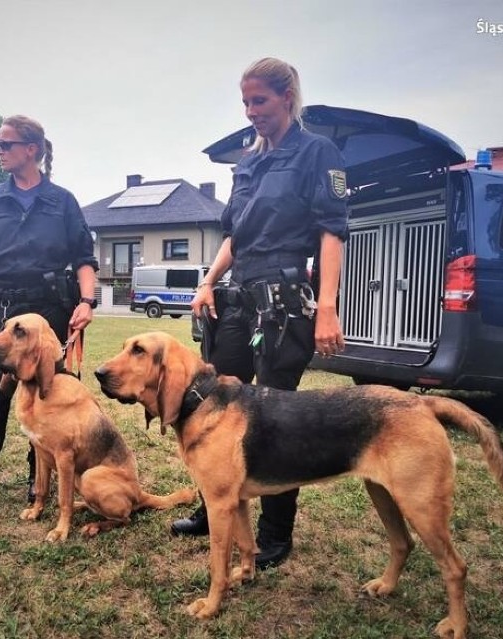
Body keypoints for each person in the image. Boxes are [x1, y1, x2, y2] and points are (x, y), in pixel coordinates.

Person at [172, 58, 349, 570]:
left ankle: (274, 536)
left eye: (260, 101)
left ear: (287, 96)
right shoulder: (246, 162)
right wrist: (207, 282)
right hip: (239, 292)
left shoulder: (317, 152)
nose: (252, 112)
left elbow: (331, 232)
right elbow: (235, 235)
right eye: (246, 103)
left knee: (274, 419)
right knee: (212, 399)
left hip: (286, 296)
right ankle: (215, 507)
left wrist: (328, 309)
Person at [0, 114, 98, 522]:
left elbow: (84, 259)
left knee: (54, 400)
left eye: (5, 144)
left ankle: (42, 484)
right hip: (3, 311)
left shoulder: (62, 201)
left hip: (52, 313)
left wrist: (87, 302)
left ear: (30, 149)